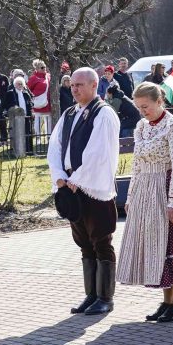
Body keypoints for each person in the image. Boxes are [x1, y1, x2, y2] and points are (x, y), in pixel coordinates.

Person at [116, 82, 173, 322]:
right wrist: (132, 195)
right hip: (146, 189)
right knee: (159, 248)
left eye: (146, 106)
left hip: (166, 187)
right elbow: (136, 164)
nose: (142, 111)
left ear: (159, 101)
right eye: (139, 107)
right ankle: (167, 302)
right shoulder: (142, 126)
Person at [47, 67, 121, 317]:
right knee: (84, 243)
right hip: (71, 187)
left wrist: (76, 179)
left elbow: (99, 153)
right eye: (72, 85)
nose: (74, 89)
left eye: (80, 85)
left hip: (93, 187)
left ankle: (105, 297)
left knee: (101, 240)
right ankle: (91, 295)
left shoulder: (104, 114)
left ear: (93, 85)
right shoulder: (68, 114)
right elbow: (54, 147)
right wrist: (60, 177)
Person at [27, 59, 52, 143]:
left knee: (48, 121)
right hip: (38, 103)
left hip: (48, 103)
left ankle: (49, 138)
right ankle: (38, 138)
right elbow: (28, 90)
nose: (44, 68)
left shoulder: (48, 76)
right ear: (37, 68)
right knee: (37, 121)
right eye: (42, 67)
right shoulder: (33, 78)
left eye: (45, 67)